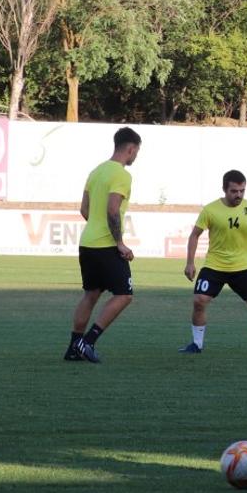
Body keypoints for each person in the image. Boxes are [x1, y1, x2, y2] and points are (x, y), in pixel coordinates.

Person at [178, 170, 247, 355]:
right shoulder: (210, 210)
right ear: (225, 189)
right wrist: (190, 262)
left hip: (243, 267)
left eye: (242, 190)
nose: (238, 195)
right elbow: (194, 235)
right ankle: (196, 344)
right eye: (234, 191)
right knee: (199, 301)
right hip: (214, 265)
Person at [65, 127, 141, 363]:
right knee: (124, 295)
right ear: (131, 149)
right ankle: (87, 342)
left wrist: (97, 227)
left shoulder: (96, 171)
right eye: (137, 151)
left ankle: (72, 348)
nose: (136, 155)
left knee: (91, 294)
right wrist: (119, 242)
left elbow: (84, 210)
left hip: (87, 242)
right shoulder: (121, 175)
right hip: (106, 245)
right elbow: (112, 209)